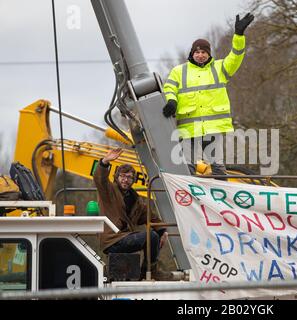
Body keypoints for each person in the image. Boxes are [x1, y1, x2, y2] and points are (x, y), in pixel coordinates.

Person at [162, 13, 255, 175]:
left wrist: (238, 36)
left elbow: (236, 57)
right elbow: (169, 88)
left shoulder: (220, 68)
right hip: (188, 128)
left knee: (218, 167)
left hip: (212, 127)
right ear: (192, 54)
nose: (200, 55)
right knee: (188, 168)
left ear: (209, 54)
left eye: (204, 52)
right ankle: (186, 199)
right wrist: (172, 101)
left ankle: (222, 198)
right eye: (197, 52)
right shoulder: (179, 71)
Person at [93, 147, 173, 281]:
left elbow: (149, 215)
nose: (125, 180)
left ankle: (147, 271)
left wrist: (163, 231)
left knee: (154, 235)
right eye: (122, 176)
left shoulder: (135, 200)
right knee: (151, 236)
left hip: (125, 238)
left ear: (133, 181)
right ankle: (150, 271)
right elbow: (99, 179)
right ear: (116, 177)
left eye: (129, 177)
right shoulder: (109, 191)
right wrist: (105, 161)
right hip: (112, 239)